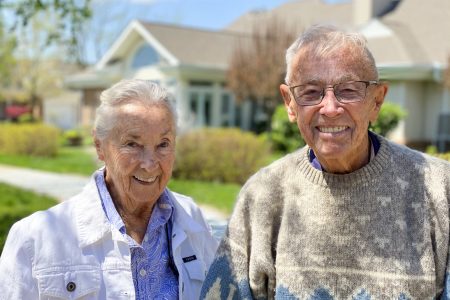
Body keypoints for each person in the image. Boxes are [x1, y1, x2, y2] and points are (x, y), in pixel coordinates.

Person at [200, 24, 450, 299]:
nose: (330, 108)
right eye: (310, 92)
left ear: (376, 101)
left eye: (348, 90)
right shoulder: (263, 195)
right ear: (289, 103)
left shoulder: (438, 188)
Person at [0, 79, 218, 299]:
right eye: (132, 144)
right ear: (99, 146)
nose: (150, 164)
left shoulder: (192, 219)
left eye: (163, 144)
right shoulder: (35, 238)